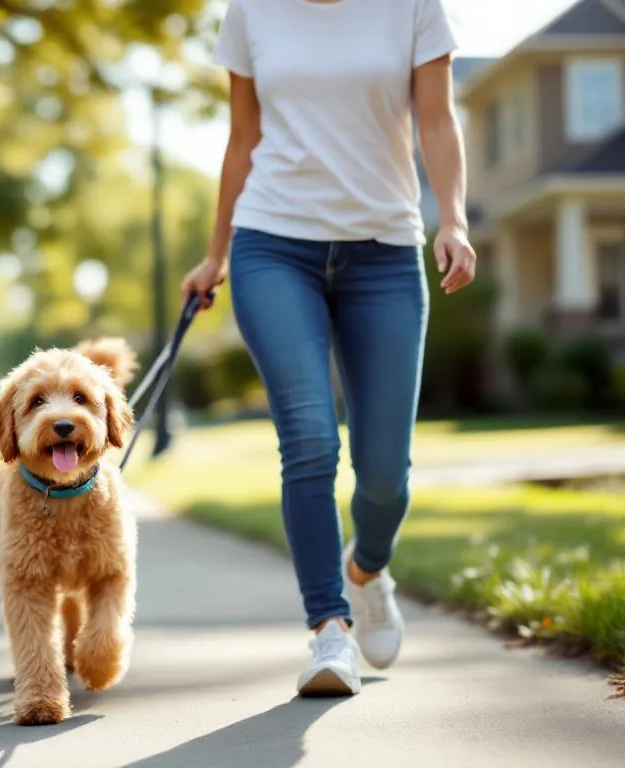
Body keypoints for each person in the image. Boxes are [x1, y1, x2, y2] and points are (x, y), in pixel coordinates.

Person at [181, 0, 476, 697]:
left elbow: (436, 120)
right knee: (310, 440)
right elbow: (243, 137)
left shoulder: (413, 7)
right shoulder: (250, 11)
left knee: (383, 474)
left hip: (385, 252)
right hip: (273, 244)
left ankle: (367, 569)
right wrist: (215, 253)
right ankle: (329, 631)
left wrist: (455, 220)